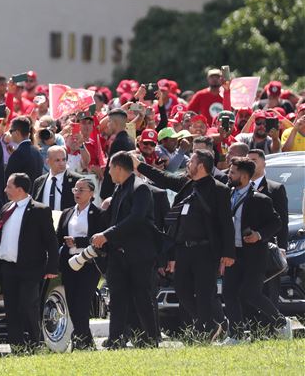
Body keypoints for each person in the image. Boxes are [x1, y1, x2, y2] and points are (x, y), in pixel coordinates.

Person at [139, 150, 234, 339]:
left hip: (206, 250)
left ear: (200, 166)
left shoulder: (219, 190)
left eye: (191, 162)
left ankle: (205, 329)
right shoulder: (186, 184)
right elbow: (164, 178)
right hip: (183, 249)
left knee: (205, 292)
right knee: (182, 291)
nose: (187, 165)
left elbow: (226, 223)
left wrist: (228, 253)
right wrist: (139, 166)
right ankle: (208, 324)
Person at [91, 152, 159, 348]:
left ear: (118, 168)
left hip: (138, 254)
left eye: (110, 168)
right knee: (118, 297)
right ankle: (116, 338)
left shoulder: (140, 188)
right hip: (118, 254)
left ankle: (151, 337)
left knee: (142, 297)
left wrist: (107, 235)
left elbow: (136, 219)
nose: (109, 172)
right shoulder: (119, 189)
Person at [222, 157, 291, 341]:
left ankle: (281, 322)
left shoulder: (261, 199)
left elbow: (277, 222)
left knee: (250, 293)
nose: (229, 175)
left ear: (244, 177)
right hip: (232, 253)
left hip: (254, 255)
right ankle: (236, 336)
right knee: (229, 294)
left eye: (232, 172)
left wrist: (259, 235)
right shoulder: (227, 194)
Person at [0, 173, 58, 352]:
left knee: (28, 304)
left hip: (30, 267)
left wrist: (52, 267)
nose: (5, 190)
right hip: (8, 267)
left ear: (20, 189)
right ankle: (17, 346)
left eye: (9, 187)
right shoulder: (6, 208)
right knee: (11, 307)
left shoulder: (40, 210)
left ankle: (35, 342)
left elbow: (51, 241)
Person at [56, 178, 106, 350]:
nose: (77, 193)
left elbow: (99, 238)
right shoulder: (67, 212)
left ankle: (81, 339)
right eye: (75, 190)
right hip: (69, 264)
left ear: (91, 194)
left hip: (89, 263)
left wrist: (77, 241)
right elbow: (58, 236)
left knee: (82, 303)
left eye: (81, 190)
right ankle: (85, 340)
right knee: (72, 303)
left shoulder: (98, 214)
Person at [246, 149, 289, 311]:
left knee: (269, 288)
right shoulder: (240, 188)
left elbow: (282, 221)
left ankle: (271, 326)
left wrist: (282, 247)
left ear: (264, 163)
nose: (251, 163)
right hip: (245, 247)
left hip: (268, 247)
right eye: (248, 160)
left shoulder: (275, 189)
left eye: (255, 160)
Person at [99, 109, 136, 200]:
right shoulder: (130, 141)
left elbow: (112, 168)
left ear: (114, 122)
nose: (108, 125)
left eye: (109, 121)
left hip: (116, 192)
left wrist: (105, 193)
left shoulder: (118, 142)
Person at [32, 145, 82, 211]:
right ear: (48, 162)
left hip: (66, 220)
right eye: (57, 160)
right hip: (44, 220)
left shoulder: (77, 180)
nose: (61, 163)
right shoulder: (39, 182)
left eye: (64, 159)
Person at [4, 116, 43, 184]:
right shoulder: (37, 151)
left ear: (17, 133)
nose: (10, 134)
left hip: (19, 193)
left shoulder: (18, 154)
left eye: (11, 131)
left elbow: (8, 180)